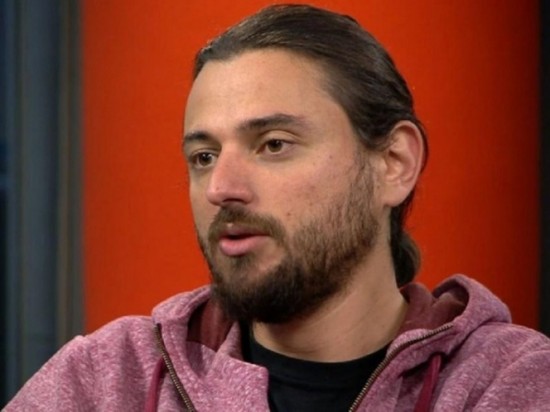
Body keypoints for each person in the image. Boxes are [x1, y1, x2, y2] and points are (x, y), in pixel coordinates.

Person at [5, 4, 550, 411]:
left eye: (273, 145)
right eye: (203, 156)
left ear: (393, 163)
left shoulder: (512, 384)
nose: (221, 187)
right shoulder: (109, 380)